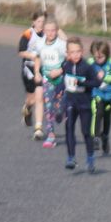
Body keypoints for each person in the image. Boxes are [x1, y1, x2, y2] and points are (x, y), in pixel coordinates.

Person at [56, 37, 100, 172]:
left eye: (77, 52)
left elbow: (97, 83)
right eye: (72, 52)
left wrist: (82, 83)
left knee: (85, 132)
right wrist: (59, 90)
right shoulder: (66, 65)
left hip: (85, 104)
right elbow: (63, 81)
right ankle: (71, 158)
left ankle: (90, 158)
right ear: (67, 53)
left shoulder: (87, 67)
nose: (75, 55)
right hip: (70, 102)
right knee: (69, 128)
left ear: (82, 52)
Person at [34, 16, 66, 149]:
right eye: (47, 30)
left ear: (57, 30)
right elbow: (37, 58)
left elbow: (69, 61)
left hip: (61, 80)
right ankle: (51, 135)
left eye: (53, 30)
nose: (50, 33)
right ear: (44, 31)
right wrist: (37, 72)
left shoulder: (61, 45)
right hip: (47, 79)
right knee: (48, 107)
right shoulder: (40, 43)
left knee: (59, 108)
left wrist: (60, 70)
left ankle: (61, 112)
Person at [89, 41, 111, 157]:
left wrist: (106, 77)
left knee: (107, 116)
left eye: (101, 57)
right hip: (97, 94)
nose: (98, 60)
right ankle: (95, 137)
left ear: (106, 55)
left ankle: (105, 136)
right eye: (96, 57)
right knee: (97, 113)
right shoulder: (91, 63)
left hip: (109, 95)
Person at [19, 11, 46, 135]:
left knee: (40, 95)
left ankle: (38, 128)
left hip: (43, 69)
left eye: (43, 22)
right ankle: (27, 107)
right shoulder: (28, 33)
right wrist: (33, 56)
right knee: (31, 98)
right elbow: (21, 51)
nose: (41, 24)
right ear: (33, 22)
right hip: (28, 69)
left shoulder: (48, 34)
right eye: (39, 21)